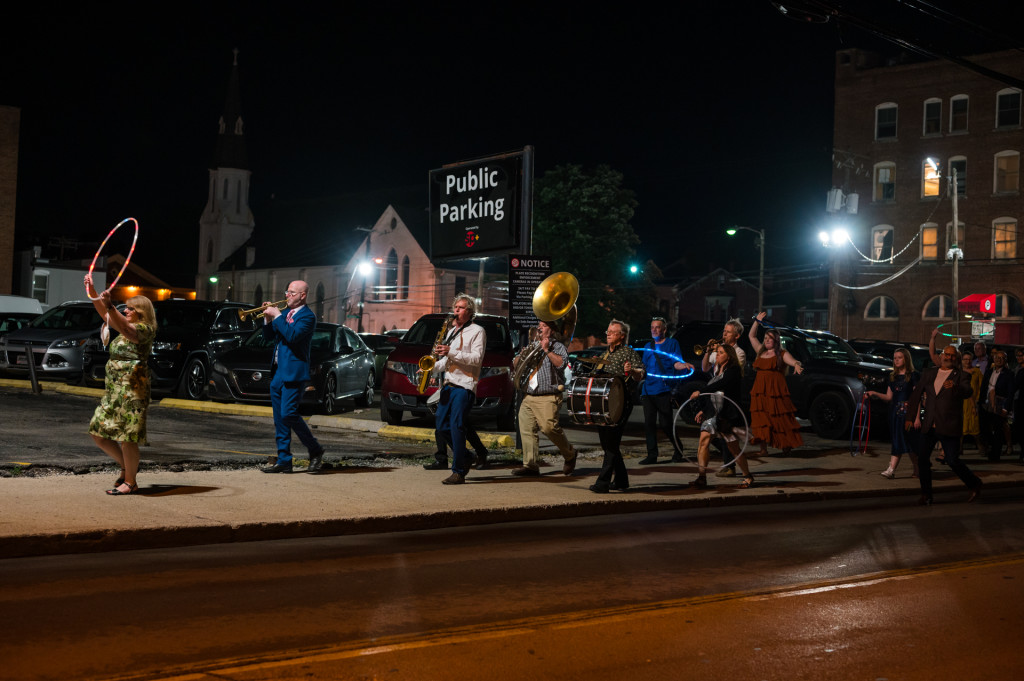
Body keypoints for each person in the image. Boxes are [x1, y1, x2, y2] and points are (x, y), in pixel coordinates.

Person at [83, 274, 157, 495]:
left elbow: (126, 330)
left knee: (128, 437)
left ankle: (131, 481)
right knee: (98, 432)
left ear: (141, 312)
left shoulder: (145, 329)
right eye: (125, 308)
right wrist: (93, 292)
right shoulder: (126, 322)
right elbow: (105, 314)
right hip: (114, 390)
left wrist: (112, 306)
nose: (126, 311)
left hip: (133, 390)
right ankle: (126, 467)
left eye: (131, 309)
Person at [260, 281, 326, 474]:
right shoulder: (286, 315)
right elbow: (268, 337)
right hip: (278, 371)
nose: (287, 295)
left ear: (303, 295)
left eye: (292, 293)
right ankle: (284, 460)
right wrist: (267, 319)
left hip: (294, 373)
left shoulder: (307, 317)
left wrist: (277, 316)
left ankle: (315, 450)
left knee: (288, 413)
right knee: (279, 418)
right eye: (287, 291)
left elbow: (292, 336)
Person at [905, 343, 982, 505]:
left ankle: (974, 483)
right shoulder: (929, 373)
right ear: (941, 356)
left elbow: (968, 391)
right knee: (922, 459)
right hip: (929, 425)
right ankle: (927, 495)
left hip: (948, 425)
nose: (949, 357)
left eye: (952, 355)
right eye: (946, 354)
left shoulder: (961, 376)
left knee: (953, 460)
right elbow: (916, 394)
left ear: (957, 359)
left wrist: (956, 387)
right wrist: (910, 417)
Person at [430, 294, 486, 485]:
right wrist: (431, 367)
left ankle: (459, 471)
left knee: (457, 426)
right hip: (448, 384)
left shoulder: (478, 331)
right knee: (441, 426)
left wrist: (450, 351)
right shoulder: (452, 331)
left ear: (469, 311)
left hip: (465, 385)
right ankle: (466, 456)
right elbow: (447, 361)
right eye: (455, 307)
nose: (456, 310)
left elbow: (476, 359)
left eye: (460, 308)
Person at [511, 320, 577, 477]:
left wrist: (546, 350)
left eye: (544, 326)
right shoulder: (533, 345)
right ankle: (530, 465)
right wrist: (521, 355)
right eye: (539, 325)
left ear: (552, 330)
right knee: (526, 430)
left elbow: (561, 364)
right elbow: (516, 364)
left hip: (548, 395)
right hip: (529, 395)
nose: (539, 328)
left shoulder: (558, 346)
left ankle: (570, 454)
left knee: (548, 428)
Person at [688, 344, 754, 489]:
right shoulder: (718, 371)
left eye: (720, 353)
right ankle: (701, 477)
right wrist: (704, 411)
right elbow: (713, 396)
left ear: (728, 356)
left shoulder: (734, 371)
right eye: (717, 353)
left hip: (726, 416)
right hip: (713, 416)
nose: (717, 355)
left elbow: (720, 386)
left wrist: (700, 390)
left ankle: (747, 476)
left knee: (734, 448)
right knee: (703, 442)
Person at [589, 319, 643, 493]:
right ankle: (621, 480)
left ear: (622, 336)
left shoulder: (629, 353)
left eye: (613, 331)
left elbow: (641, 374)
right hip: (604, 405)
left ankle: (602, 482)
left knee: (611, 443)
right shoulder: (605, 354)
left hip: (620, 403)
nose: (608, 333)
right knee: (608, 444)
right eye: (608, 331)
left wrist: (632, 370)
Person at [637, 316, 692, 465]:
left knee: (666, 424)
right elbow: (644, 368)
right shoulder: (649, 346)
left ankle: (678, 447)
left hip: (663, 389)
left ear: (664, 330)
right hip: (648, 390)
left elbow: (676, 363)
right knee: (649, 423)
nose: (654, 330)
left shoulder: (672, 343)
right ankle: (652, 455)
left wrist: (684, 365)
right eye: (652, 327)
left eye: (657, 327)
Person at [748, 312, 804, 455]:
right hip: (760, 392)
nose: (767, 340)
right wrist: (757, 322)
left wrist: (796, 364)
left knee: (780, 418)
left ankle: (786, 445)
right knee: (761, 419)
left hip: (776, 392)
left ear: (776, 341)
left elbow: (792, 361)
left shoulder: (782, 354)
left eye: (770, 338)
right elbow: (751, 336)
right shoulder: (760, 352)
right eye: (765, 338)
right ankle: (763, 449)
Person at [701, 318, 747, 476]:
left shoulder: (738, 353)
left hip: (727, 405)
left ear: (737, 335)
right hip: (715, 403)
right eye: (724, 331)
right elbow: (705, 367)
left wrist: (703, 390)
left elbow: (730, 377)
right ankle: (705, 474)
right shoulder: (719, 351)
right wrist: (708, 351)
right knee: (710, 438)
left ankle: (737, 470)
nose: (724, 334)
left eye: (728, 332)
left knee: (729, 441)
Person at [865, 348, 919, 479]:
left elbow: (916, 398)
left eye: (899, 357)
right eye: (895, 358)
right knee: (900, 440)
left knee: (906, 441)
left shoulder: (913, 375)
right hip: (895, 413)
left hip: (907, 413)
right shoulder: (893, 376)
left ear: (906, 359)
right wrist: (874, 393)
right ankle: (909, 469)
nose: (896, 360)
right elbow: (889, 397)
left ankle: (896, 469)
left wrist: (917, 418)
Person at [979, 349, 1013, 461]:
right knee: (985, 430)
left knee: (998, 431)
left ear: (1005, 360)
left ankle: (995, 454)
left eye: (1001, 358)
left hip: (999, 406)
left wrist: (1005, 408)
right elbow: (983, 388)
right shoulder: (989, 372)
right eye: (996, 357)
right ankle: (989, 449)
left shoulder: (1009, 374)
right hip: (986, 405)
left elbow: (1010, 393)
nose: (998, 360)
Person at [960, 349, 983, 456]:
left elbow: (981, 387)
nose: (967, 361)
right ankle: (959, 449)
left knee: (975, 428)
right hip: (961, 403)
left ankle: (981, 448)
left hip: (973, 403)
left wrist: (977, 400)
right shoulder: (959, 372)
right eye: (965, 359)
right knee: (960, 427)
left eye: (969, 359)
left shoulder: (976, 372)